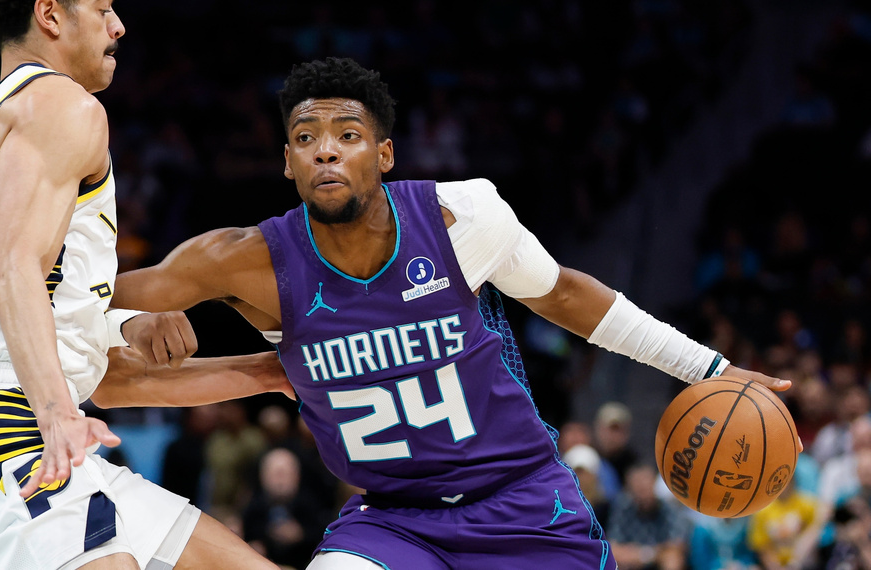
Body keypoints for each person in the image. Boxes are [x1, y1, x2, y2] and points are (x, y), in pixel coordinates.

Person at [111, 57, 792, 569]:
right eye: (305, 136)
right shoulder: (239, 261)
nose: (325, 147)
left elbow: (566, 295)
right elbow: (82, 294)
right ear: (287, 162)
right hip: (393, 521)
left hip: (523, 500)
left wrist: (707, 365)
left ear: (383, 153)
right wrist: (130, 326)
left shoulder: (463, 218)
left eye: (347, 133)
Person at [0, 0, 288, 570]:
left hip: (25, 417)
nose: (118, 28)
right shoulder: (60, 104)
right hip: (6, 425)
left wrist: (268, 373)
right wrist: (59, 416)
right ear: (51, 17)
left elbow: (108, 387)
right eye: (105, 7)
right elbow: (14, 275)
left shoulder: (17, 117)